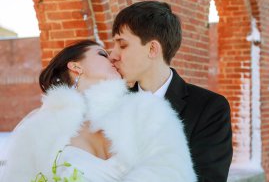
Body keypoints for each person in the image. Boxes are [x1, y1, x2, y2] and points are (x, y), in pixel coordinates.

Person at [0, 40, 196, 182]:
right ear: (76, 66)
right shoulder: (39, 128)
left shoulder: (147, 110)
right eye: (102, 54)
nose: (113, 57)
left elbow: (175, 171)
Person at [110, 1, 233, 182]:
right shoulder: (114, 103)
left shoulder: (209, 108)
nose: (113, 55)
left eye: (122, 45)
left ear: (152, 49)